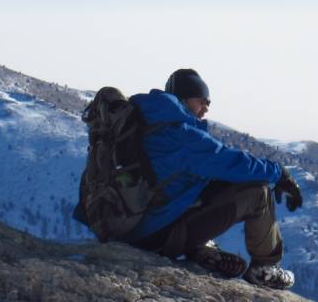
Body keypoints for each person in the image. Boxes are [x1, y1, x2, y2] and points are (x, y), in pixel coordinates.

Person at [123, 68, 303, 289]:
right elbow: (232, 162)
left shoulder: (146, 125)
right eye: (202, 100)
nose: (206, 108)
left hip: (133, 229)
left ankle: (197, 248)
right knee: (258, 192)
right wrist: (280, 173)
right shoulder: (181, 136)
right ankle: (263, 269)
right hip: (158, 235)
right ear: (184, 98)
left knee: (210, 184)